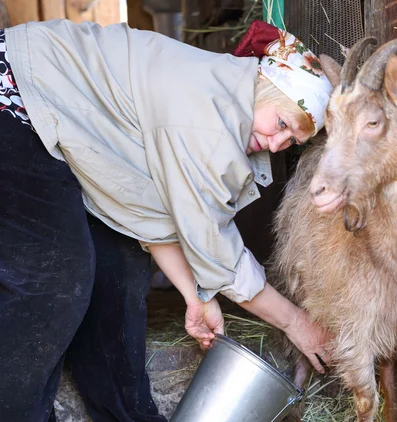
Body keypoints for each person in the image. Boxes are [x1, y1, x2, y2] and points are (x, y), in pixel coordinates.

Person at [0, 18, 333, 422]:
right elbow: (218, 253)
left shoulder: (225, 102)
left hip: (52, 116)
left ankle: (126, 415)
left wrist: (196, 299)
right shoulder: (205, 118)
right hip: (17, 92)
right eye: (281, 123)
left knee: (118, 265)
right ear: (262, 88)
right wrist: (296, 322)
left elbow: (148, 214)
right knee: (54, 277)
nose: (277, 143)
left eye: (292, 141)